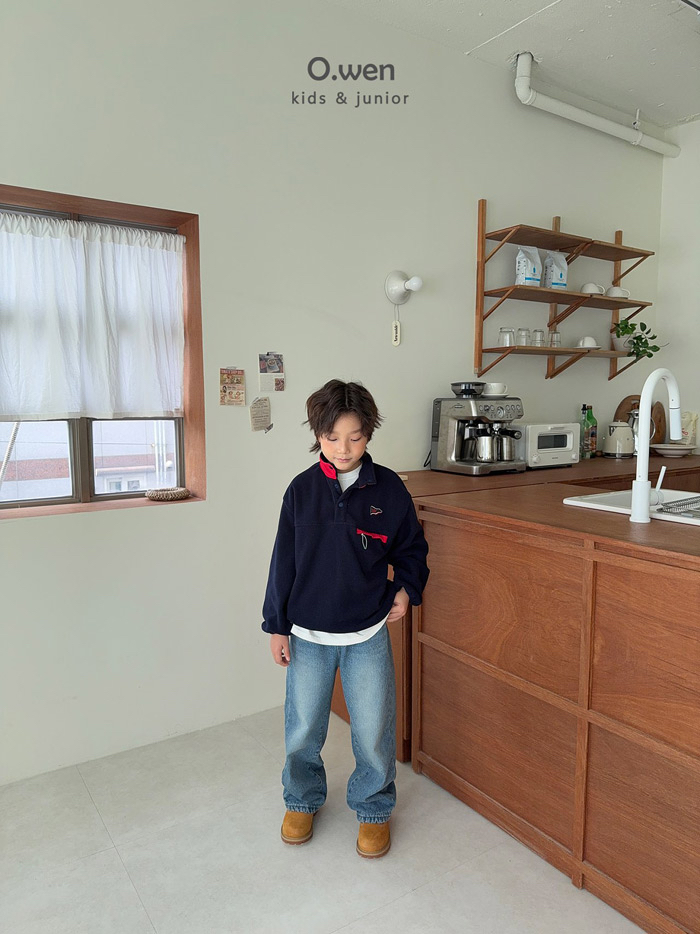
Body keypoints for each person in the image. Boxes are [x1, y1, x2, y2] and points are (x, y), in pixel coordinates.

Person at [262, 379, 429, 859]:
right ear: (318, 435)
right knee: (303, 728)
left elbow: (412, 549)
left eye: (354, 437)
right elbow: (282, 563)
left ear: (369, 434)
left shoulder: (389, 489)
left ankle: (373, 809)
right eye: (331, 437)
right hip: (307, 633)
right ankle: (301, 799)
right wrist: (276, 625)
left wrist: (406, 589)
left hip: (367, 631)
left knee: (373, 729)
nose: (342, 448)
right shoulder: (301, 490)